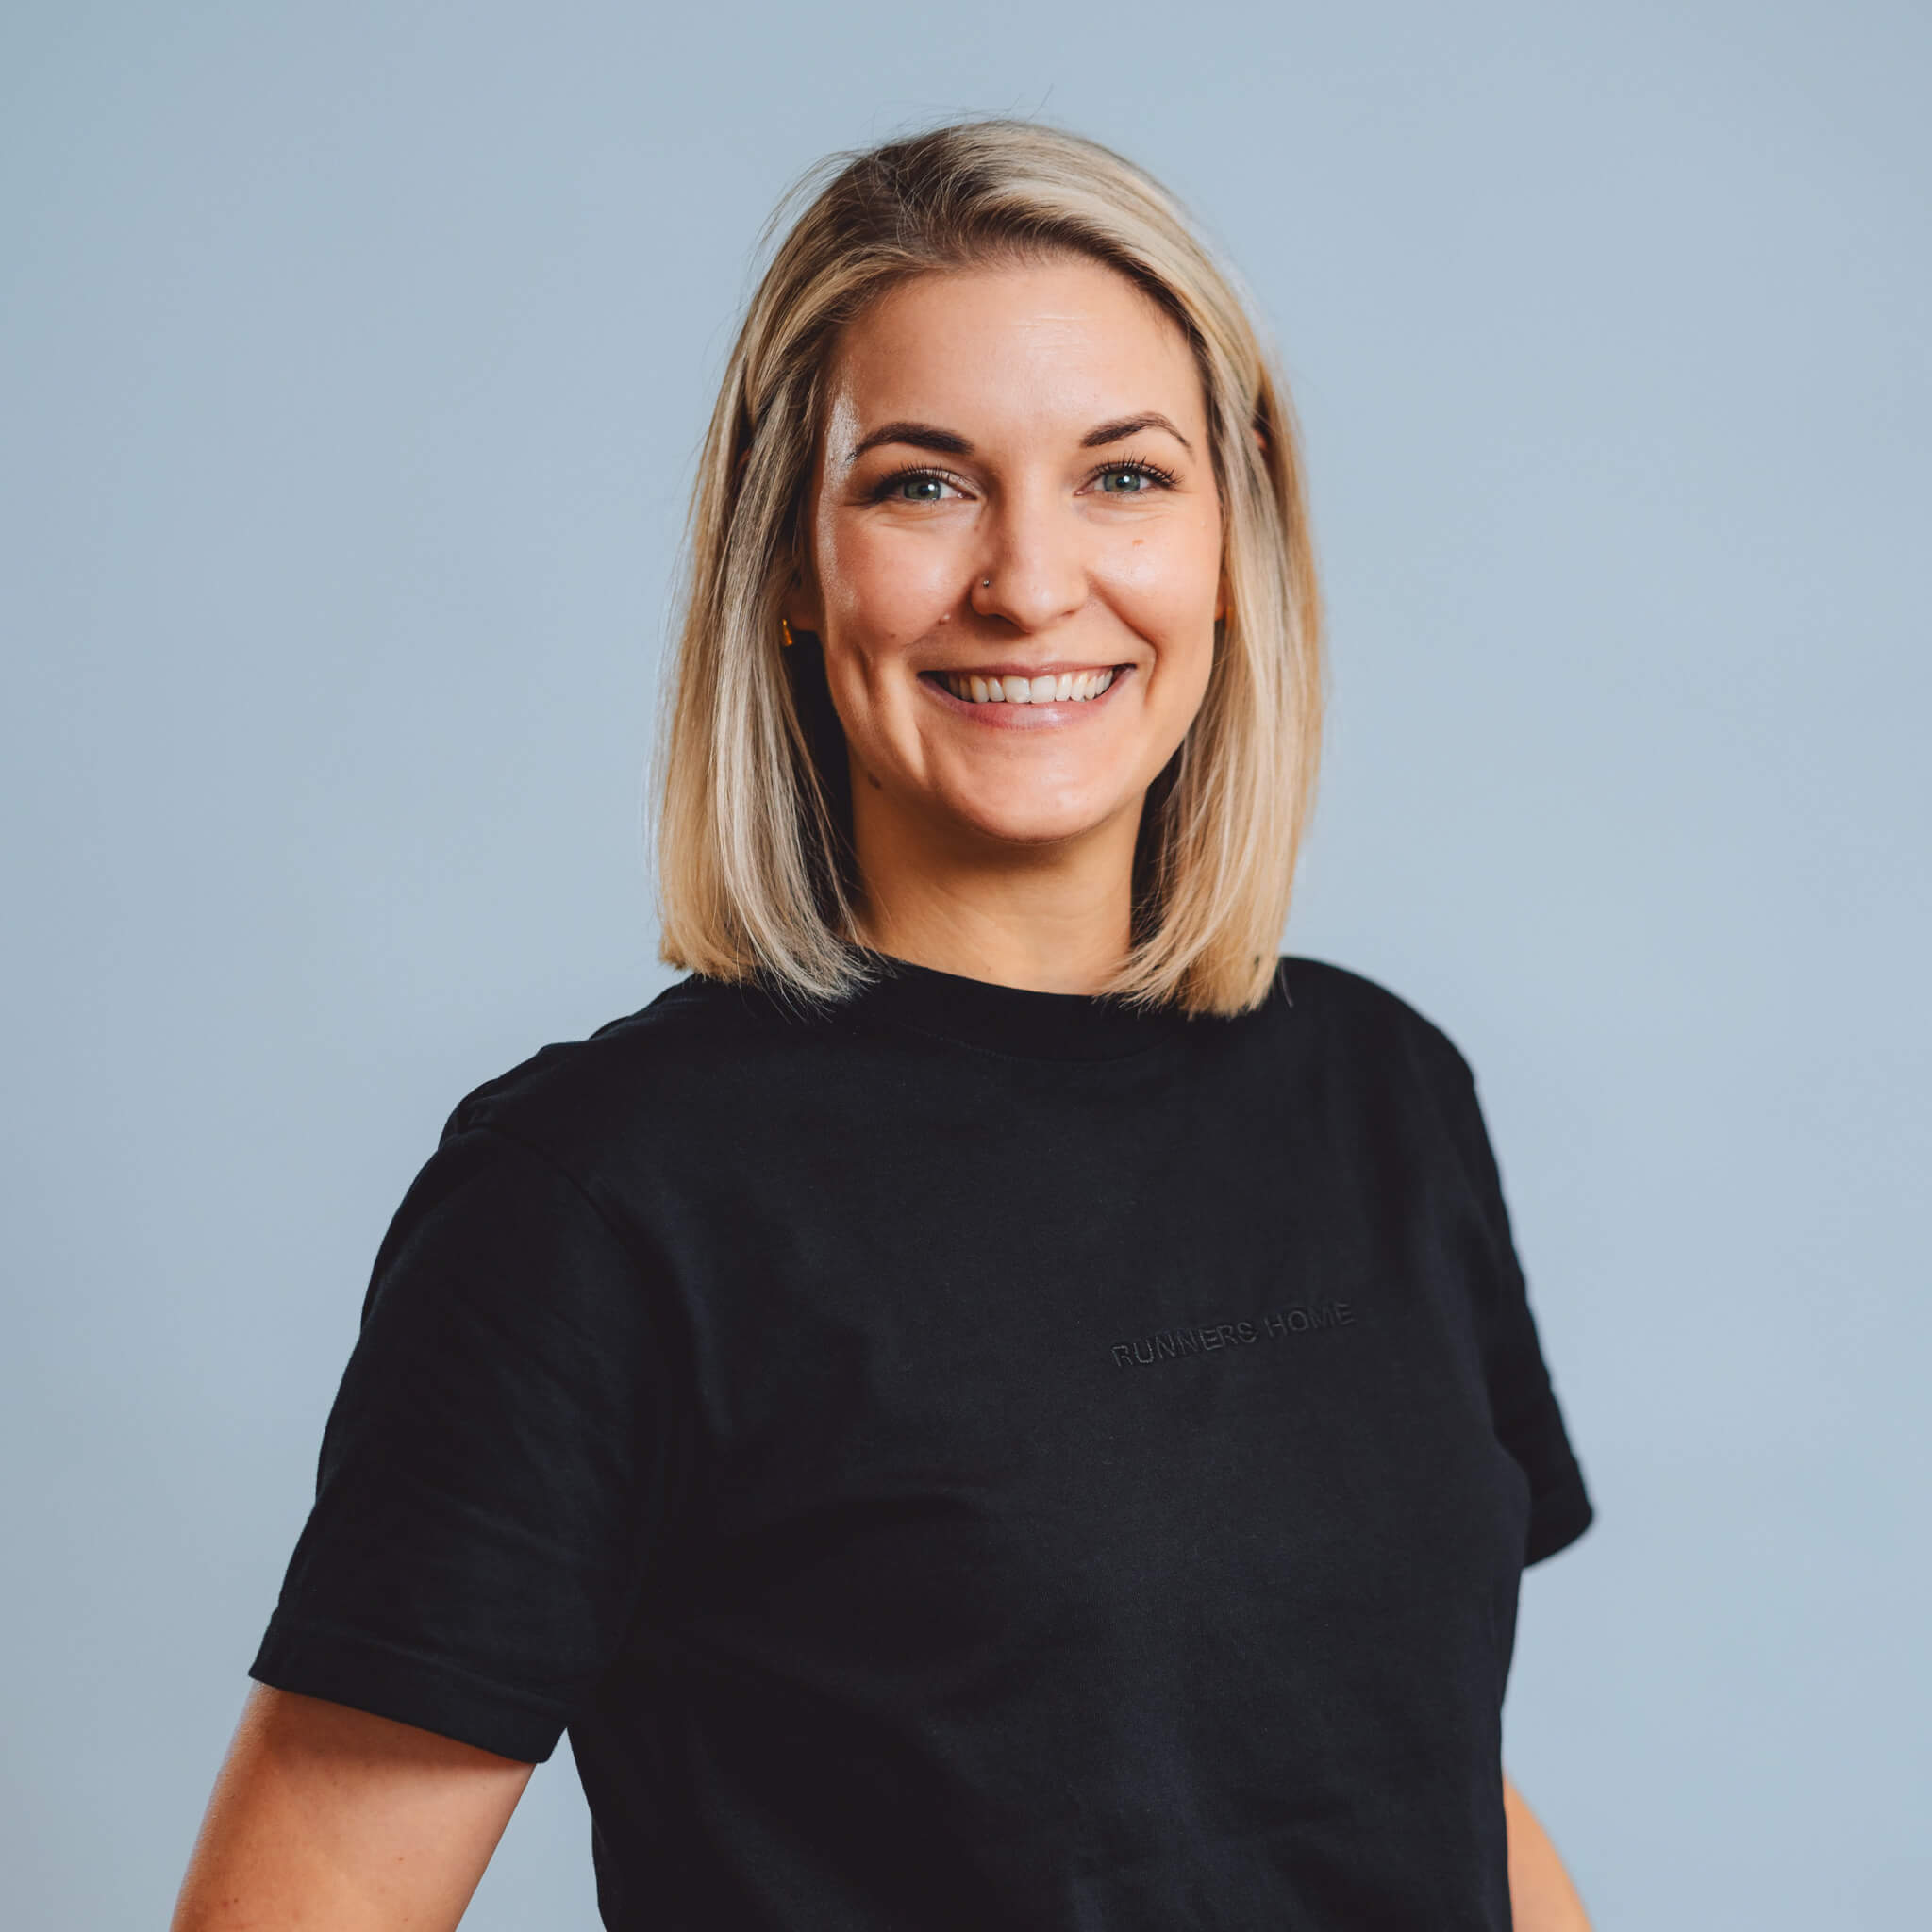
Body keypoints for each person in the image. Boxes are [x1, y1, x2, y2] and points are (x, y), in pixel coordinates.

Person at [172, 118, 1598, 1931]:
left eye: (1125, 476)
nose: (1030, 582)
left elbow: (1425, 1770)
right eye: (923, 485)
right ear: (786, 563)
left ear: (1234, 542)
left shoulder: (1383, 1087)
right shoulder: (598, 1203)